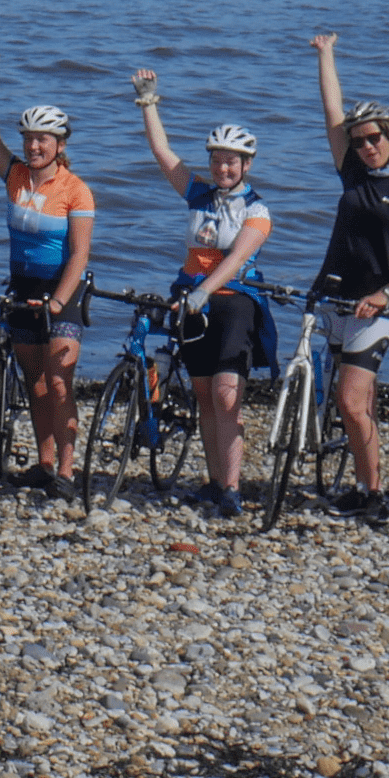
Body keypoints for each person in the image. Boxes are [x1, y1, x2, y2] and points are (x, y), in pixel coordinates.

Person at [132, 68, 279, 522]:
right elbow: (162, 153)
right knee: (202, 395)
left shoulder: (257, 210)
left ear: (246, 165)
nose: (222, 168)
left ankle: (232, 487)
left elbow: (236, 259)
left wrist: (204, 291)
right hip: (191, 301)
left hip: (235, 303)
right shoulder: (198, 195)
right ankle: (214, 482)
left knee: (227, 395)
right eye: (217, 160)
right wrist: (149, 102)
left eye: (231, 161)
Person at [310, 34, 389, 522]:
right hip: (336, 297)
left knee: (350, 399)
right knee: (351, 401)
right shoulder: (352, 174)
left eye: (374, 138)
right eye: (359, 140)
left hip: (382, 305)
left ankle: (376, 494)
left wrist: (386, 295)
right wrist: (326, 55)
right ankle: (364, 484)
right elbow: (332, 112)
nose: (366, 147)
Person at [0, 54, 93, 493]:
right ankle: (44, 463)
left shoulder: (75, 190)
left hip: (63, 291)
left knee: (59, 383)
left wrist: (58, 301)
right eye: (28, 139)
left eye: (43, 139)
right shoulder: (15, 175)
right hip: (22, 288)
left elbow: (79, 254)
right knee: (35, 383)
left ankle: (67, 470)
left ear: (60, 144)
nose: (33, 146)